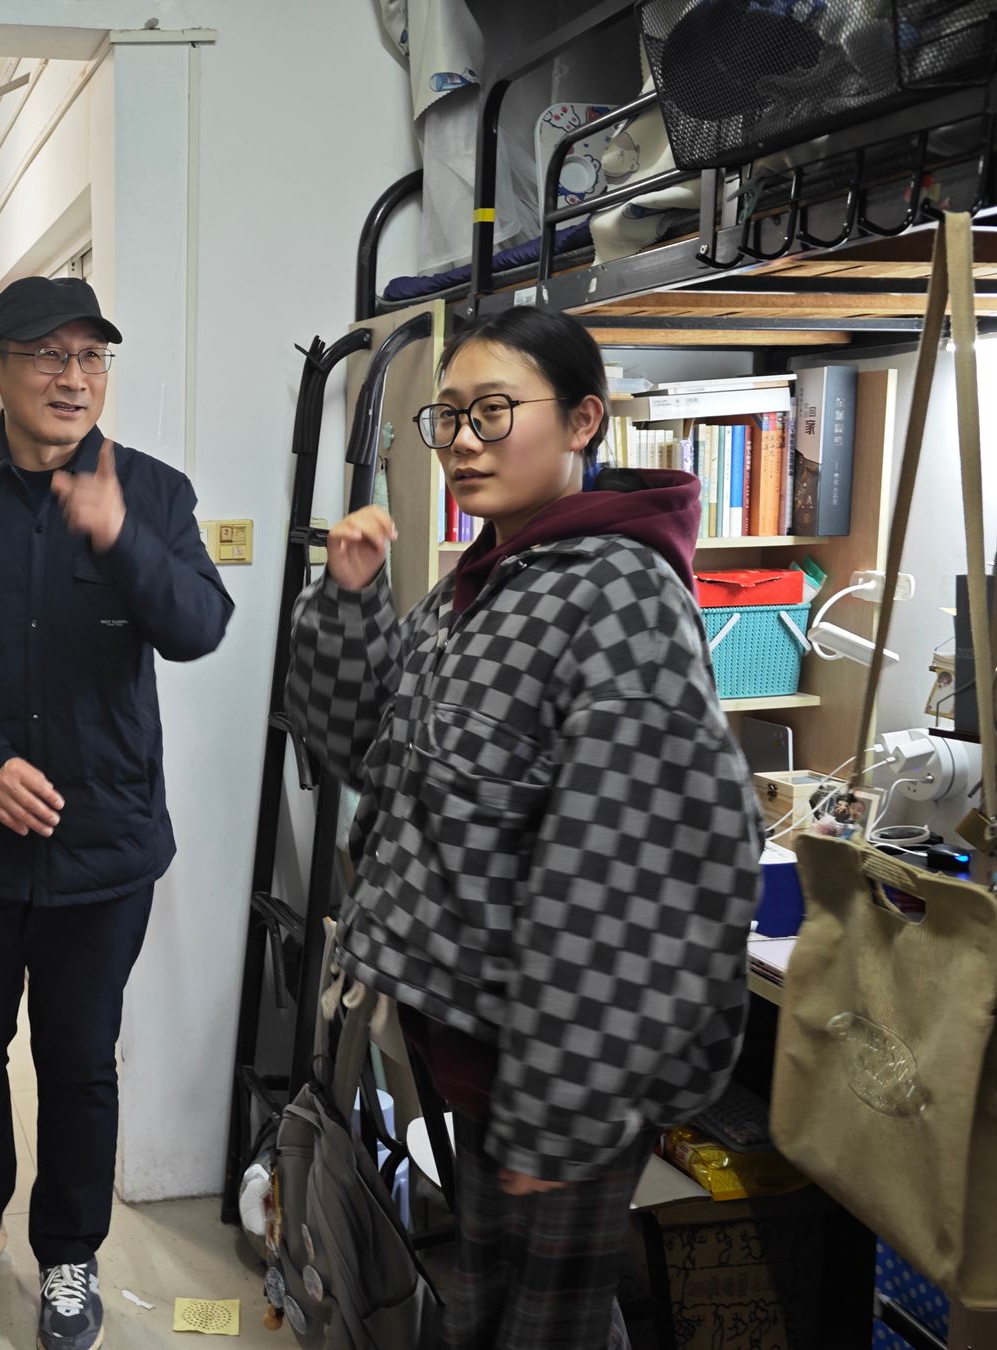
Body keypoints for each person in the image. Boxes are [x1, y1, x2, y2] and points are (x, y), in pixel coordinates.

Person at [287, 306, 760, 1348]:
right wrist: (350, 603)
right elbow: (357, 754)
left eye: (493, 412)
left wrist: (561, 1106)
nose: (463, 441)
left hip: (560, 1064)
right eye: (449, 416)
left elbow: (630, 876)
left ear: (584, 420)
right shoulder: (485, 582)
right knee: (496, 1305)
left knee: (543, 1325)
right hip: (476, 1040)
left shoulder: (620, 597)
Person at [0, 276, 233, 1350]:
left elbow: (200, 626)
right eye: (47, 356)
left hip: (103, 848)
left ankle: (70, 1252)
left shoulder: (152, 492)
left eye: (91, 357)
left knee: (78, 1061)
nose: (73, 378)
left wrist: (123, 538)